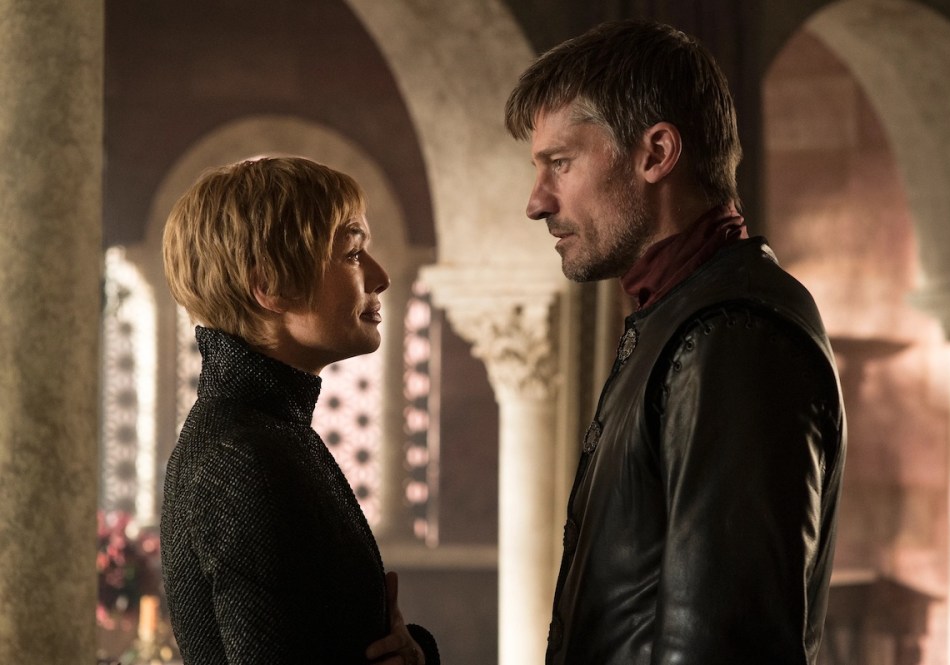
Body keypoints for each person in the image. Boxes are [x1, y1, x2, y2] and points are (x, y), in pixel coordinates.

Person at [505, 19, 846, 665]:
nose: (537, 202)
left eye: (560, 163)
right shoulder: (681, 316)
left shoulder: (730, 335)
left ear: (657, 153)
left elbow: (723, 646)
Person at [160, 156, 438, 665]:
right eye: (352, 254)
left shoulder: (263, 433)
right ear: (270, 286)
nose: (380, 277)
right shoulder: (244, 456)